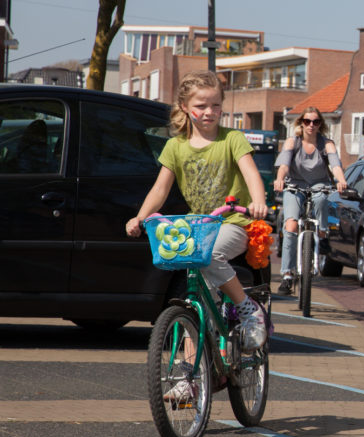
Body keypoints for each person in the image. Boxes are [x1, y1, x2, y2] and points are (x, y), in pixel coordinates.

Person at [126, 70, 269, 402]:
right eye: (202, 105)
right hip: (198, 226)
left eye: (216, 105)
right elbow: (160, 190)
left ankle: (246, 307)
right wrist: (141, 217)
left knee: (211, 255)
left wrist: (258, 201)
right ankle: (186, 379)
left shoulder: (232, 140)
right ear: (185, 106)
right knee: (196, 305)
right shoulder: (176, 147)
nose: (209, 112)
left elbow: (251, 173)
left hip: (233, 223)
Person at [272, 107, 348, 294]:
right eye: (307, 121)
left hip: (318, 184)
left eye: (315, 122)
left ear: (320, 124)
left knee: (322, 198)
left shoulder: (327, 144)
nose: (311, 125)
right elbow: (284, 165)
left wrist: (341, 180)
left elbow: (335, 165)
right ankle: (287, 275)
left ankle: (322, 231)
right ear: (301, 123)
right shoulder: (293, 142)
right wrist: (280, 178)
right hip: (294, 185)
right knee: (290, 226)